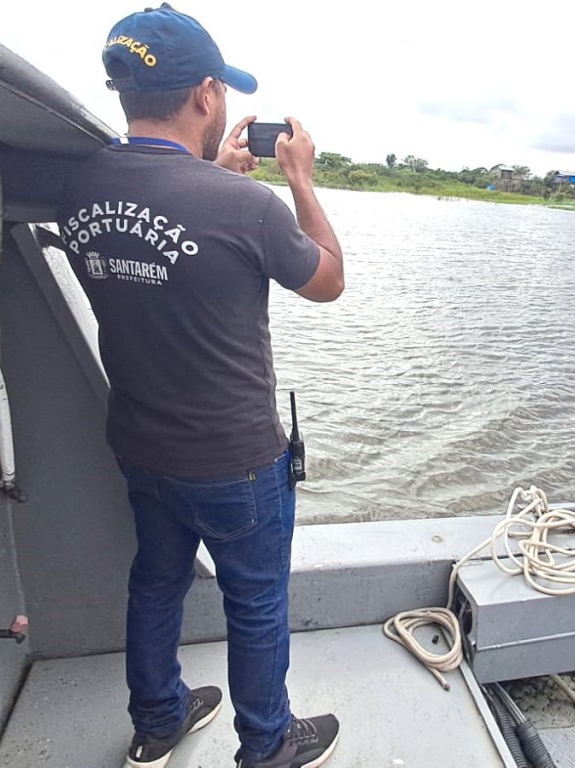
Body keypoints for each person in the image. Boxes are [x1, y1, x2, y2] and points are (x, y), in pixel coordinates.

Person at [56, 5, 344, 768]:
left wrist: (205, 177)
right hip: (235, 461)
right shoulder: (245, 206)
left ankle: (158, 719)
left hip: (141, 447)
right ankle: (268, 744)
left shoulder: (78, 185)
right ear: (208, 95)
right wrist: (299, 180)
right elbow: (328, 280)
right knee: (255, 604)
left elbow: (154, 210)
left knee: (157, 582)